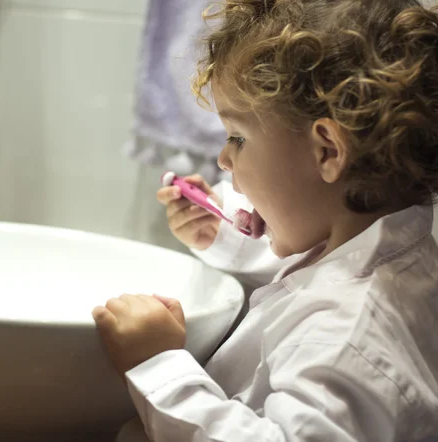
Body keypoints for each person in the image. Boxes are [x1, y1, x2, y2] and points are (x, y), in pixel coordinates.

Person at [92, 0, 438, 440]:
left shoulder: (347, 335)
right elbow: (307, 273)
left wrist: (158, 366)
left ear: (328, 151)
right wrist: (224, 233)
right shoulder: (392, 250)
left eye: (237, 136)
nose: (223, 158)